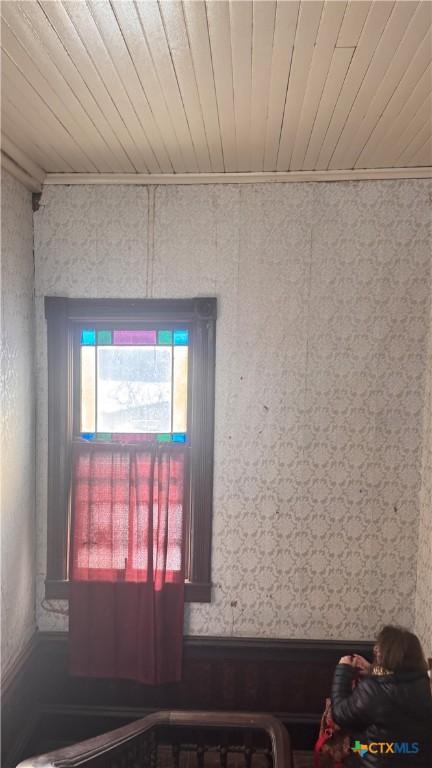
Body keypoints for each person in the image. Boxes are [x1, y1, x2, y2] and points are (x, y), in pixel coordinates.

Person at [331, 625, 432, 766]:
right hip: (418, 759)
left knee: (354, 746)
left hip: (377, 761)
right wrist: (372, 670)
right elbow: (395, 678)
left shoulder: (373, 689)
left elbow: (340, 714)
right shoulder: (425, 683)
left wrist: (343, 671)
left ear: (384, 654)